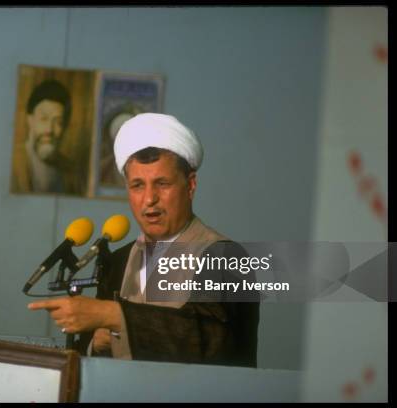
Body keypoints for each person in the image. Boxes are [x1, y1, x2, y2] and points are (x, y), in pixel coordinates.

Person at [29, 113, 259, 367]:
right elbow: (91, 350)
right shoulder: (118, 260)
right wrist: (97, 341)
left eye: (162, 183)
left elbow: (214, 341)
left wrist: (114, 315)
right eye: (138, 185)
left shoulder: (225, 256)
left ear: (191, 185)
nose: (149, 199)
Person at [10, 79, 81, 194]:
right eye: (44, 119)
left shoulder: (70, 172)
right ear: (30, 120)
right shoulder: (12, 161)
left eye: (58, 122)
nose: (49, 130)